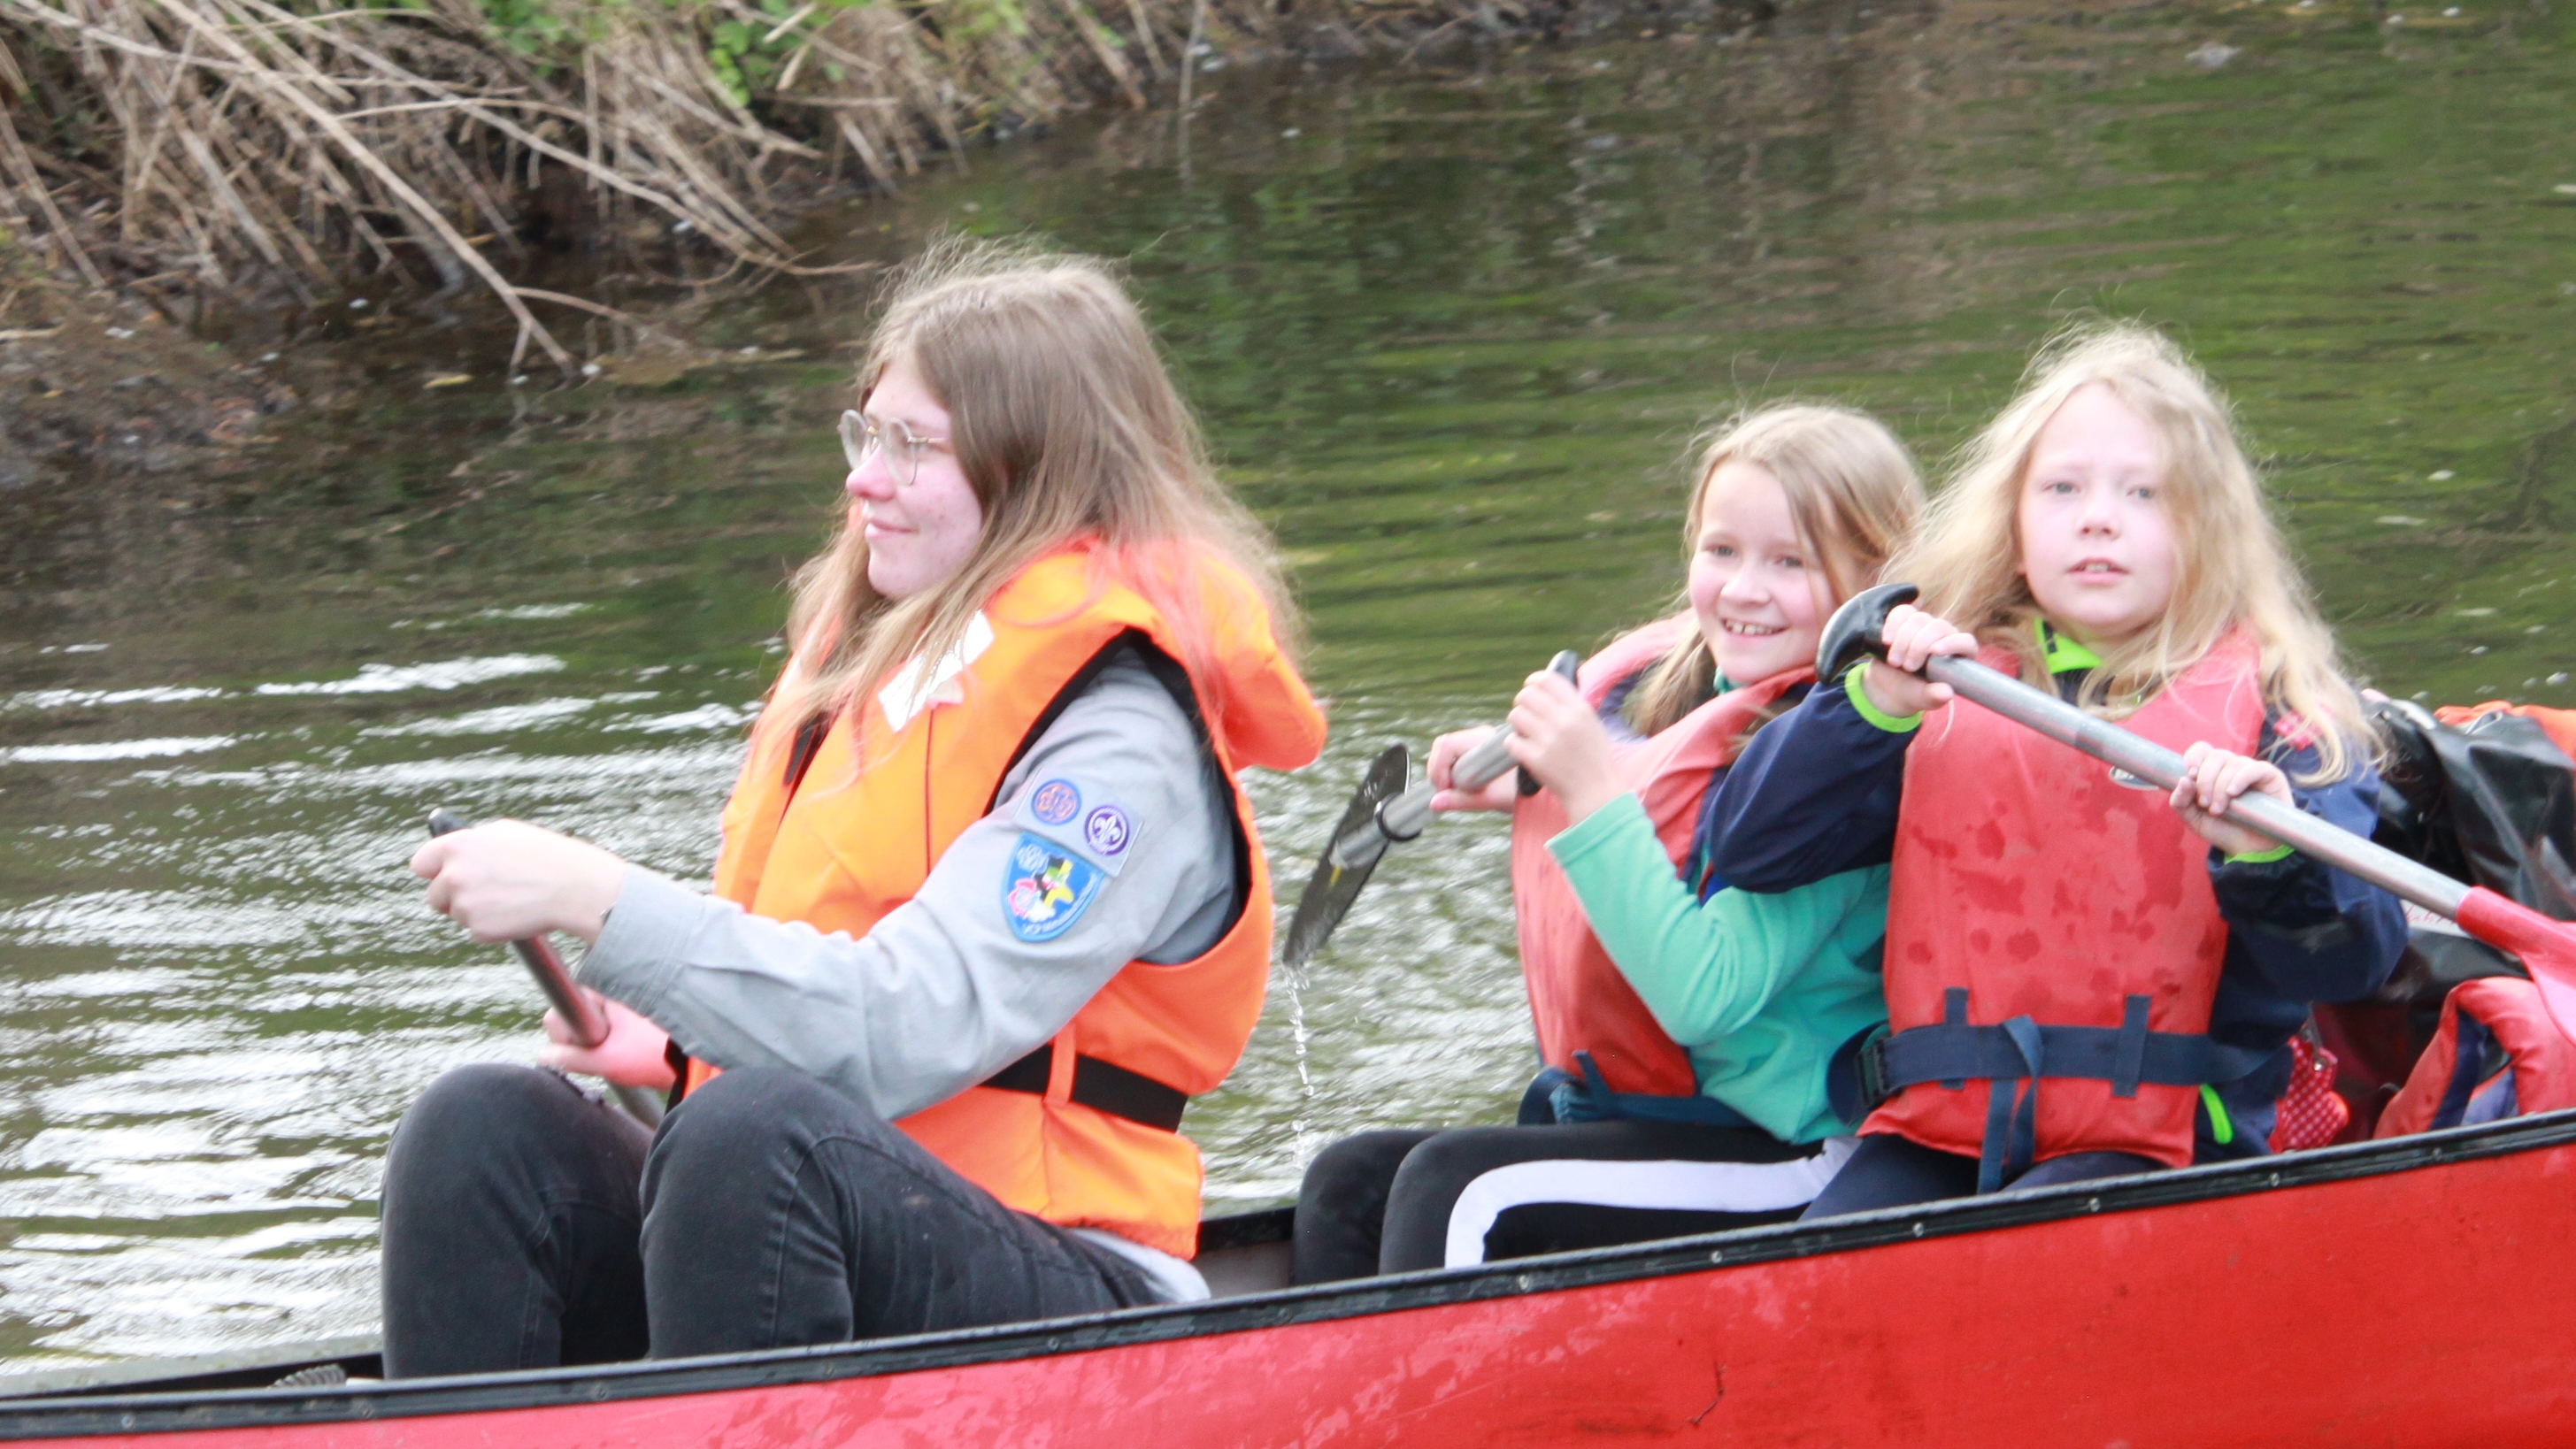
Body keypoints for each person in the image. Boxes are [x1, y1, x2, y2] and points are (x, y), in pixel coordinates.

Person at [381, 239, 1326, 1376]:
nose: (861, 479)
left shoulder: (1120, 741)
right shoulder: (889, 664)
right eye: (866, 432)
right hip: (833, 1219)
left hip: (1075, 1279)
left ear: (1034, 471)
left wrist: (601, 901)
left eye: (911, 446)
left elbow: (898, 1029)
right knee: (482, 1130)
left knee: (755, 1141)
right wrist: (687, 1040)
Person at [1703, 323, 2406, 1218]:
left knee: (2028, 1238)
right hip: (1939, 1131)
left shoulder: (2281, 718)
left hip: (2171, 1151)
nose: (2097, 516)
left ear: (2208, 529)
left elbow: (2354, 962)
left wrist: (2268, 852)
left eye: (2143, 492)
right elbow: (1755, 849)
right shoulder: (1938, 681)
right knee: (1826, 1268)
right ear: (2015, 522)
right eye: (2062, 488)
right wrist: (1866, 705)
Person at [1293, 405, 1923, 1284]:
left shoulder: (1842, 766)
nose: (1743, 589)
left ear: (1872, 584)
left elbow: (1704, 996)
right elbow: (1660, 793)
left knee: (1455, 1191)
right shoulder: (1674, 692)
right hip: (1658, 1116)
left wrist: (1586, 792)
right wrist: (1537, 778)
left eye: (1790, 562)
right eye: (1721, 551)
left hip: (1791, 1151)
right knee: (1346, 1181)